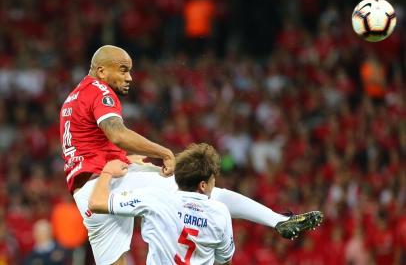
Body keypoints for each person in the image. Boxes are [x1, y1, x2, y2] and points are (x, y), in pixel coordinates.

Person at [61, 45, 323, 265]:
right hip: (111, 182)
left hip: (87, 195)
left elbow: (90, 146)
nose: (130, 77)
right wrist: (162, 152)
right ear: (100, 70)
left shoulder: (72, 99)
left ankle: (279, 221)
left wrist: (128, 159)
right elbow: (116, 133)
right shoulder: (100, 90)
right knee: (200, 190)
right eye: (123, 69)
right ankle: (278, 221)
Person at [89, 143, 234, 265]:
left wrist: (108, 171)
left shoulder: (155, 198)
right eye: (213, 179)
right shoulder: (220, 212)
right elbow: (224, 259)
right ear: (203, 185)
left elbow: (96, 203)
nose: (214, 183)